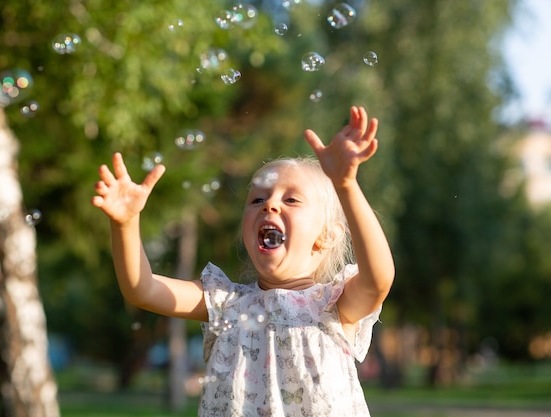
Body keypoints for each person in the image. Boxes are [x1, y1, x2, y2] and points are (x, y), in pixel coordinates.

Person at [92, 105, 395, 416]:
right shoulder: (226, 304)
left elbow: (379, 279)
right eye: (257, 199)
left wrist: (346, 186)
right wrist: (126, 224)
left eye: (291, 199)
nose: (270, 205)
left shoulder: (334, 307)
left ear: (327, 236)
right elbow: (141, 289)